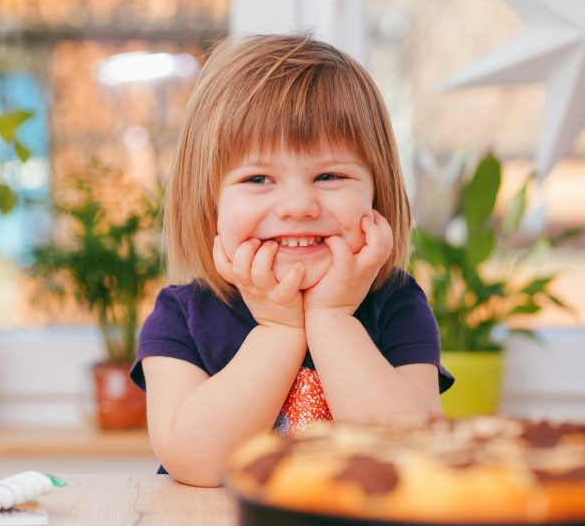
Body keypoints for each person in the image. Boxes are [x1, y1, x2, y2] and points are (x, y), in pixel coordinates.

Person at [129, 34, 454, 488]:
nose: (298, 205)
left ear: (377, 193)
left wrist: (332, 319)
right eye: (258, 178)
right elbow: (196, 463)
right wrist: (279, 330)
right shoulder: (181, 315)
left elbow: (410, 457)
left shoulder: (397, 303)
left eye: (330, 175)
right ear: (209, 203)